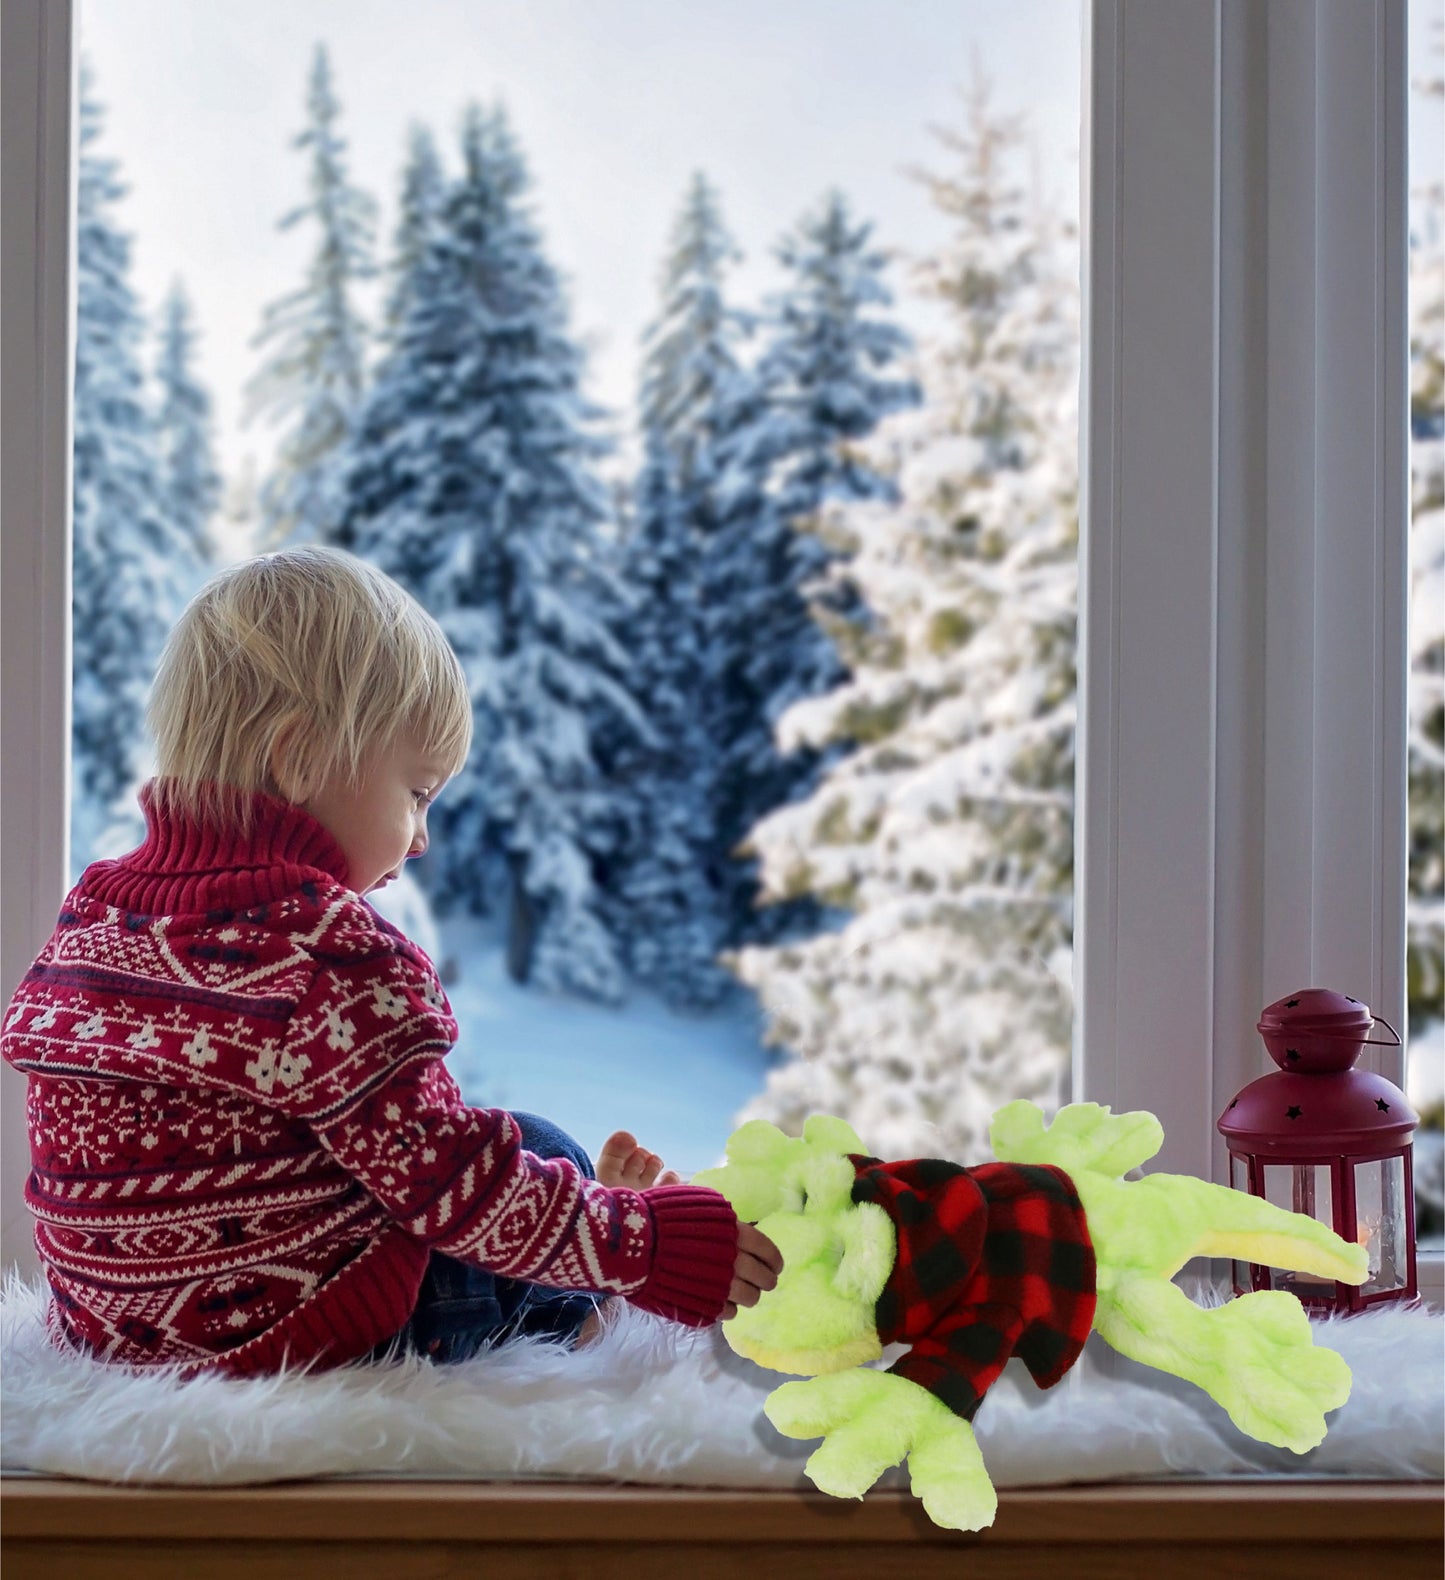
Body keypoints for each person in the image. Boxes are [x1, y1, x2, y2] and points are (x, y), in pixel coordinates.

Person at [1, 546, 781, 1374]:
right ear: (298, 758)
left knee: (469, 1152)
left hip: (109, 1330)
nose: (420, 838)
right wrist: (651, 1247)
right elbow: (455, 1189)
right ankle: (586, 1303)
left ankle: (586, 1240)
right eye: (415, 793)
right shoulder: (333, 955)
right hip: (303, 1333)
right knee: (538, 1146)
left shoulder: (95, 912)